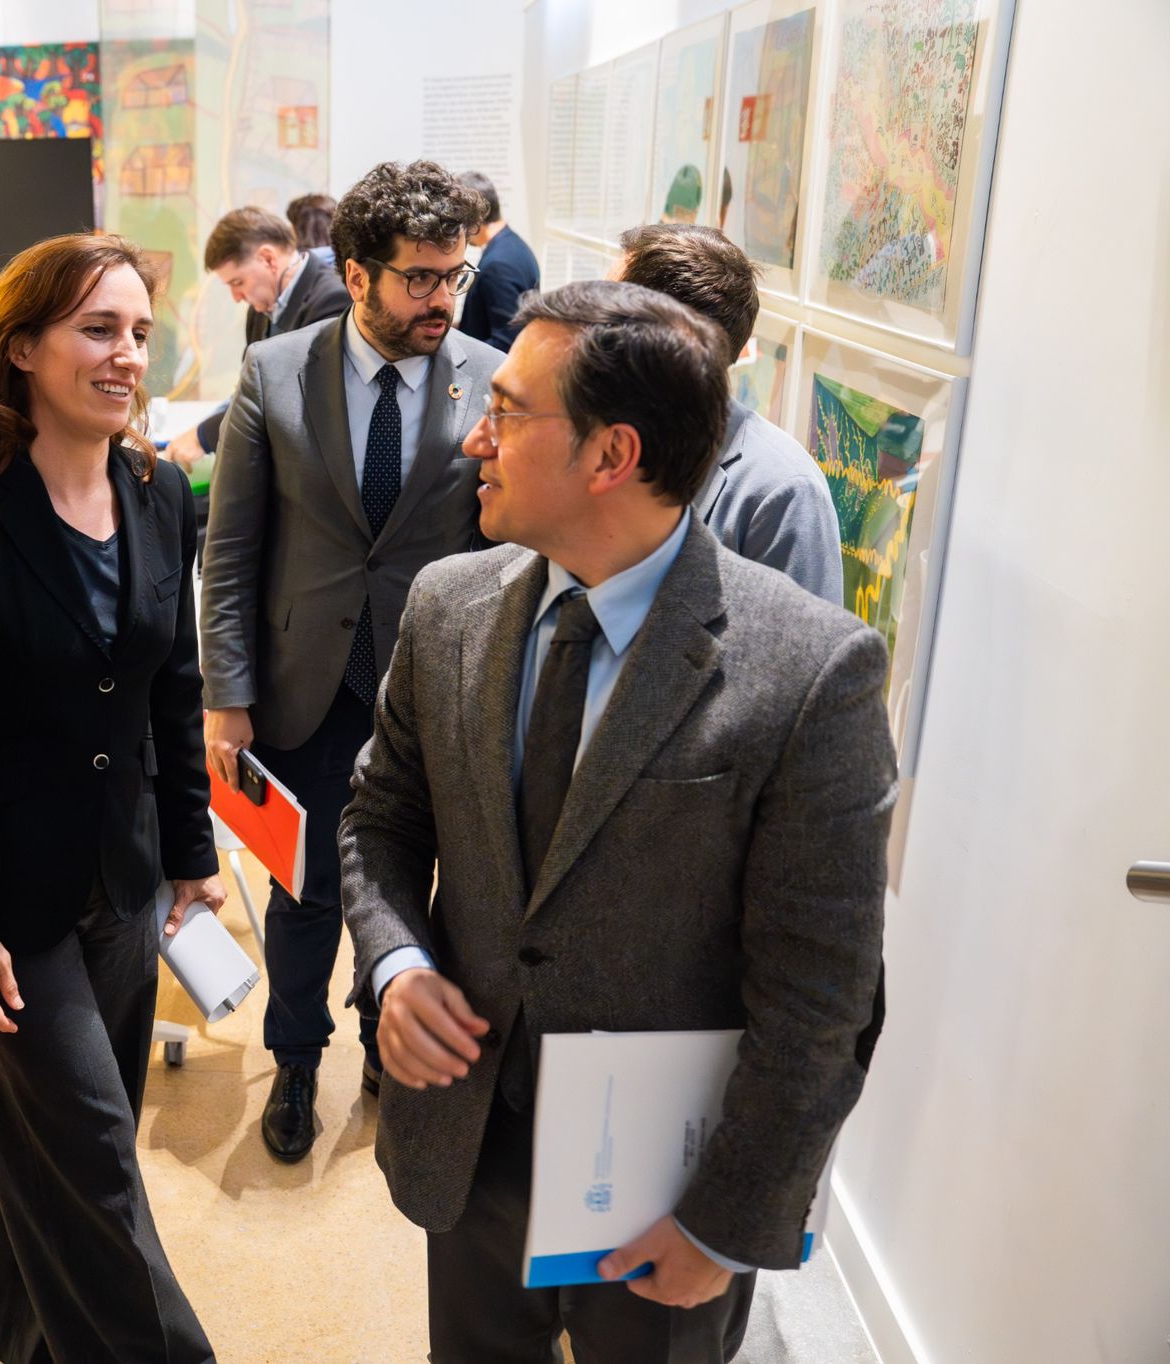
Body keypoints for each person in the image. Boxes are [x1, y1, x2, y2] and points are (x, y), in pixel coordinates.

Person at [341, 280, 893, 1362]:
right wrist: (397, 964)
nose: (473, 439)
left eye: (506, 412)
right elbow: (380, 817)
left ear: (611, 455)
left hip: (667, 1187)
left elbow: (823, 996)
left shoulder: (807, 671)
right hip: (468, 1133)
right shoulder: (447, 606)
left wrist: (728, 1220)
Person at [0, 233, 221, 1364]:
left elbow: (173, 688)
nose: (127, 354)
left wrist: (191, 848)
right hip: (5, 902)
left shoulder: (157, 492)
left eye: (138, 332)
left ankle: (4, 1328)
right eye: (96, 329)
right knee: (97, 1163)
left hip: (121, 878)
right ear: (21, 348)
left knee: (61, 1146)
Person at [201, 159, 500, 1164]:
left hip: (432, 689)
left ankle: (382, 1042)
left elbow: (505, 552)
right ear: (358, 273)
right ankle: (294, 1057)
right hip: (305, 686)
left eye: (453, 276)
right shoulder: (275, 370)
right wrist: (226, 694)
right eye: (419, 278)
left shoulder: (490, 375)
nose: (441, 299)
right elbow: (231, 549)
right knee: (305, 890)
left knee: (412, 880)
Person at [615, 222, 841, 604]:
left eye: (606, 311)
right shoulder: (602, 437)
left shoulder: (784, 491)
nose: (584, 328)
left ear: (664, 340)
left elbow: (807, 638)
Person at [163, 206, 351, 472]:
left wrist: (204, 436)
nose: (236, 297)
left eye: (237, 282)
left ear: (268, 259)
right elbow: (250, 388)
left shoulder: (332, 301)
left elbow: (291, 400)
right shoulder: (261, 308)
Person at [455, 174, 540, 353]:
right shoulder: (513, 246)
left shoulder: (498, 265)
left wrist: (457, 351)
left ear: (475, 215)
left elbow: (506, 343)